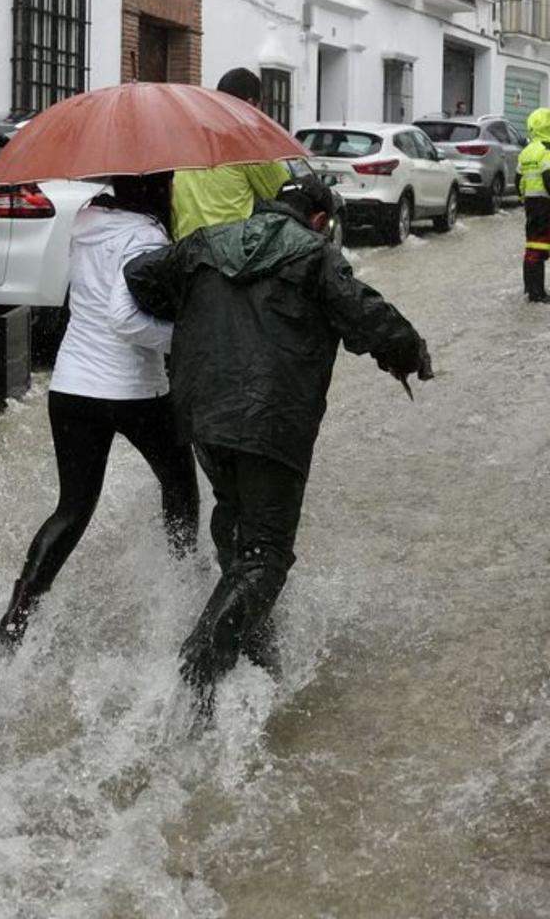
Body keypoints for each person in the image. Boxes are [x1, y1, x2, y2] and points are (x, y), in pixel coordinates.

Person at [124, 177, 432, 710]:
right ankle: (197, 668)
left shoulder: (206, 241)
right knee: (265, 554)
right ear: (317, 220)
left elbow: (140, 275)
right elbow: (368, 320)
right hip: (272, 423)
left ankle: (249, 655)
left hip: (203, 415)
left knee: (235, 524)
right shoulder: (316, 256)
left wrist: (194, 309)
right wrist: (411, 355)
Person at [0, 173, 200, 648]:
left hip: (71, 386)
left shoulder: (87, 218)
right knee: (180, 488)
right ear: (155, 187)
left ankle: (16, 618)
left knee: (72, 507)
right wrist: (185, 339)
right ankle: (182, 586)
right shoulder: (144, 235)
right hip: (131, 389)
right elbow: (125, 317)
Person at [171, 68, 291, 240]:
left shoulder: (190, 137)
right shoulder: (248, 143)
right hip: (229, 254)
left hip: (184, 249)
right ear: (250, 103)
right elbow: (283, 193)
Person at [517, 107, 550, 303]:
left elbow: (518, 178)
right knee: (539, 249)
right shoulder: (547, 149)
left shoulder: (526, 151)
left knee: (533, 246)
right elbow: (549, 178)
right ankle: (538, 294)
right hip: (546, 203)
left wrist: (524, 200)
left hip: (531, 204)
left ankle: (530, 288)